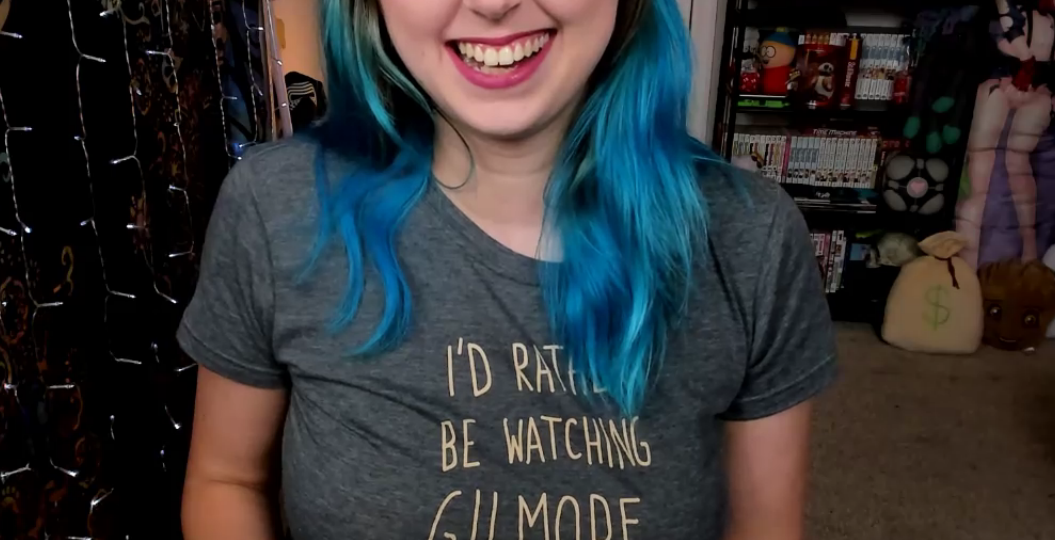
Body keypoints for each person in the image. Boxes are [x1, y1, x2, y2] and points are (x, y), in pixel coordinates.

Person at [178, 0, 837, 539]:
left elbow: (762, 525)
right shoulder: (276, 206)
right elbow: (225, 481)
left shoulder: (749, 236)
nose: (493, 5)